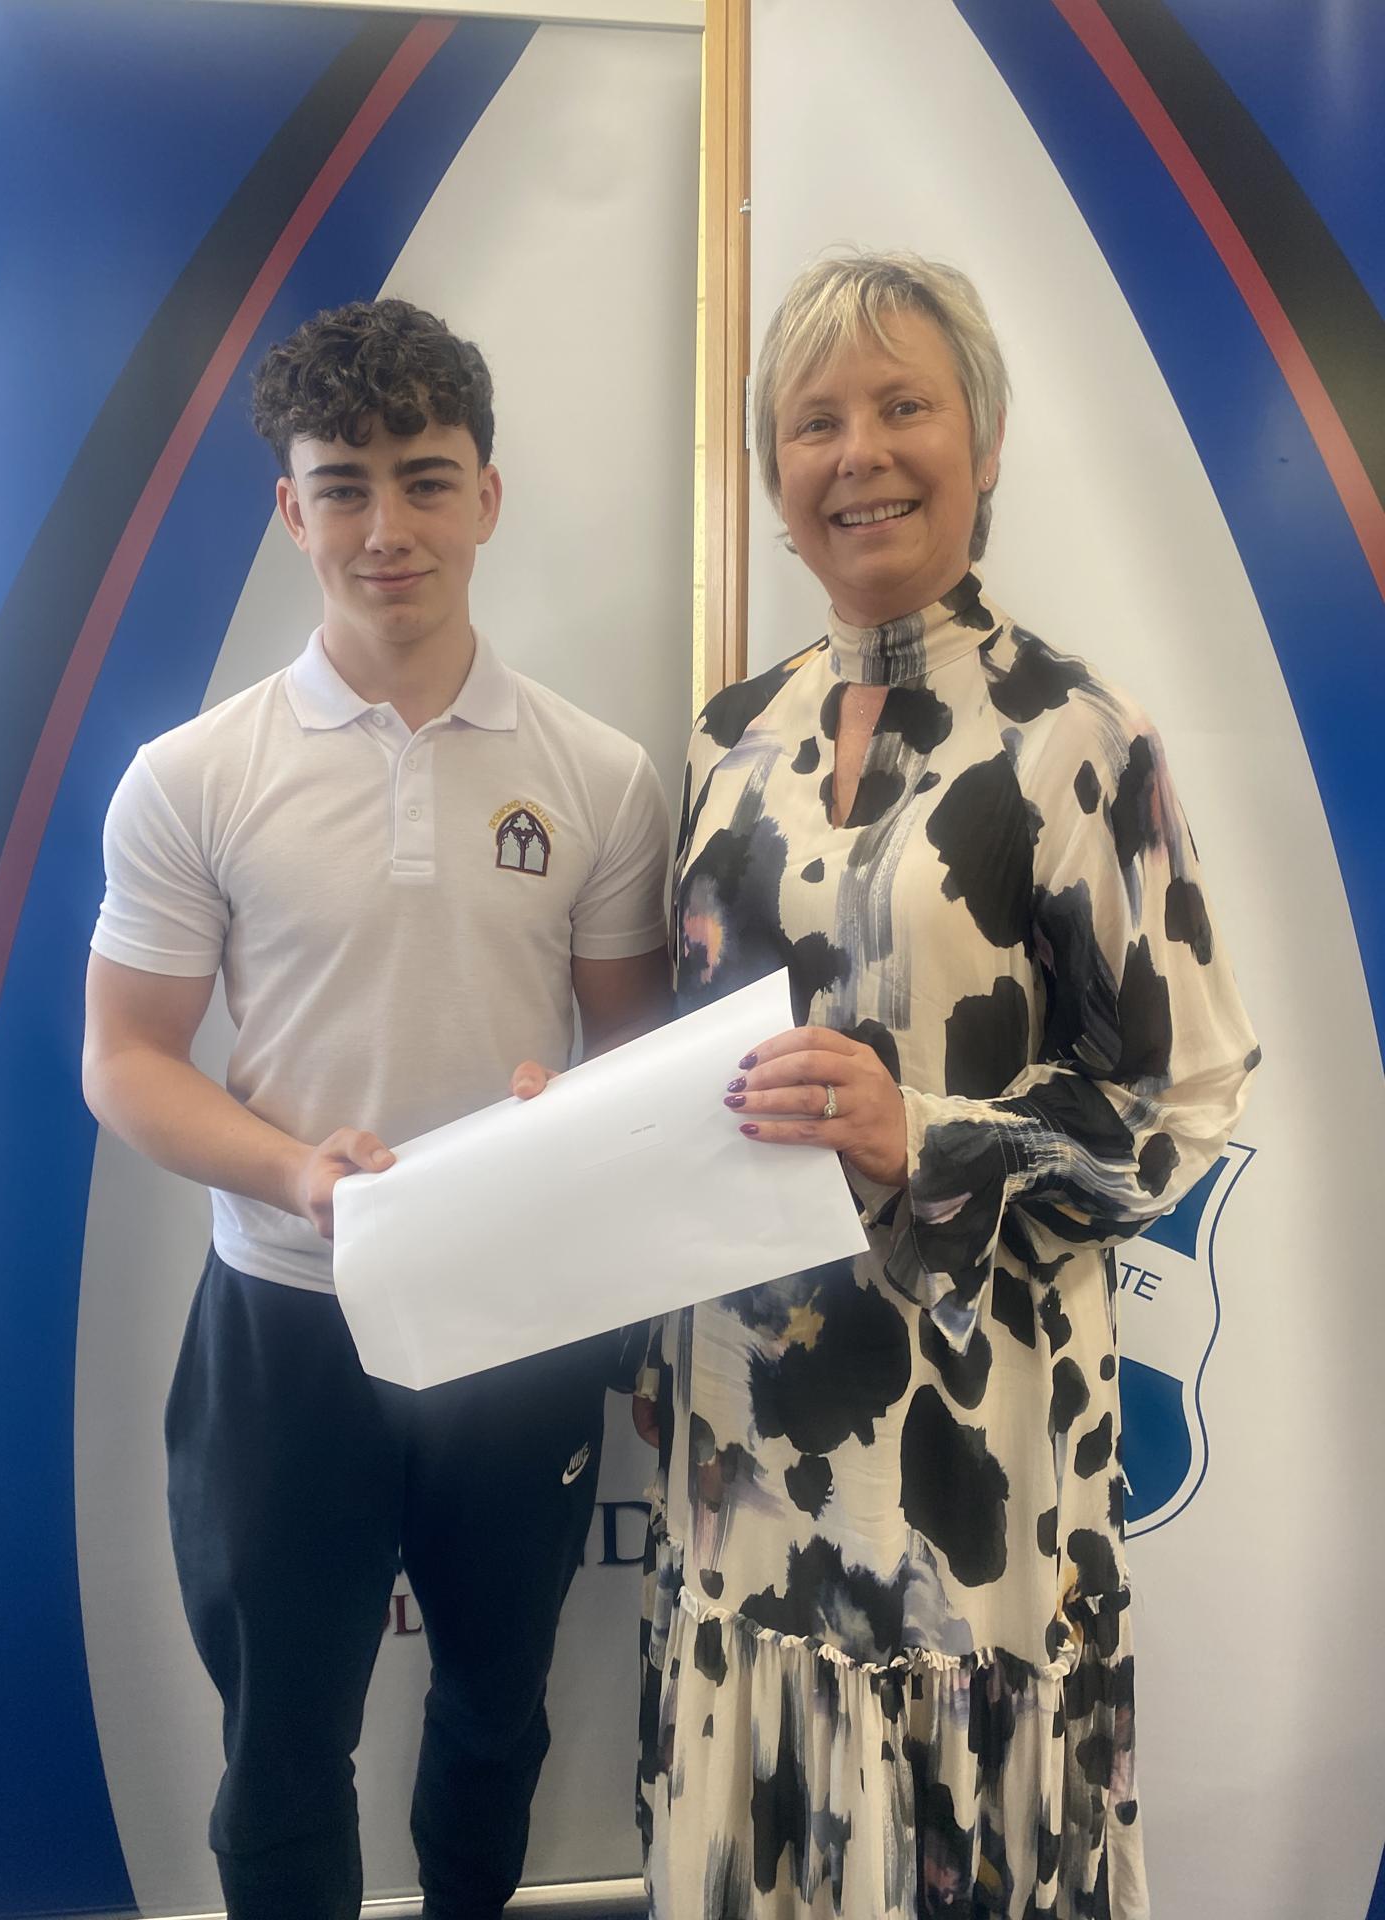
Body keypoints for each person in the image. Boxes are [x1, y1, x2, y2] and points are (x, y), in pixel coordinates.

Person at [633, 253, 1258, 1917]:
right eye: (814, 421)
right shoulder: (723, 736)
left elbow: (1187, 1095)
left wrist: (929, 1134)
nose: (860, 453)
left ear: (982, 444)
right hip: (744, 1424)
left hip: (976, 1440)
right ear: (772, 480)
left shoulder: (1076, 735)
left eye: (903, 405)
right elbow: (694, 1060)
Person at [81, 298, 671, 1920]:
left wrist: (574, 1115)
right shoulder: (192, 777)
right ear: (292, 511)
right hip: (287, 1322)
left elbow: (632, 1060)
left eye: (425, 479)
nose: (386, 527)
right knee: (281, 1749)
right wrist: (294, 1170)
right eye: (343, 486)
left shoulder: (600, 776)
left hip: (515, 1324)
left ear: (488, 495)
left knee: (493, 1717)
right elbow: (125, 1057)